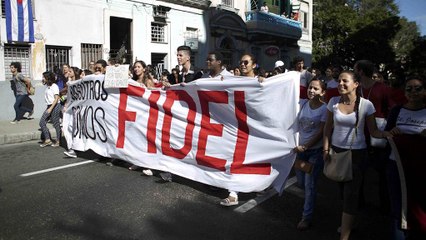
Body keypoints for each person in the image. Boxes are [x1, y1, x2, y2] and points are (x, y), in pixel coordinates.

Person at [323, 70, 391, 240]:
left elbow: (374, 131)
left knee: (350, 195)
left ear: (356, 84)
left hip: (357, 155)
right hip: (336, 153)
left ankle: (344, 235)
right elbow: (327, 128)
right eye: (339, 81)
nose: (340, 84)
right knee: (342, 192)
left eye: (345, 81)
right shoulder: (333, 101)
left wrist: (388, 134)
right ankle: (352, 220)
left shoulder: (366, 105)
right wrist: (325, 149)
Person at [385, 76, 426, 240]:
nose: (413, 92)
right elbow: (386, 133)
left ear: (424, 91)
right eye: (409, 89)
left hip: (421, 167)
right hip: (397, 165)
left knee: (419, 204)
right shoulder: (396, 111)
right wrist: (392, 132)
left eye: (418, 88)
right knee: (398, 205)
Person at [220, 53, 258, 207]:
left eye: (246, 62)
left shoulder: (260, 82)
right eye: (240, 62)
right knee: (235, 157)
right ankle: (233, 193)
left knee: (256, 158)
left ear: (254, 65)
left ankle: (260, 184)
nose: (242, 65)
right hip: (236, 126)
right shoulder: (234, 81)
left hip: (255, 128)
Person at [354, 60, 392, 213]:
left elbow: (391, 110)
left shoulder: (382, 88)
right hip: (359, 135)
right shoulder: (356, 88)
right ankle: (359, 203)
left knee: (382, 172)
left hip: (378, 135)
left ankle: (385, 205)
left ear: (361, 72)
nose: (354, 71)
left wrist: (387, 130)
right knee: (358, 172)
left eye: (355, 69)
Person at [294, 78, 327, 230]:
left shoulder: (325, 109)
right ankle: (311, 203)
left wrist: (306, 146)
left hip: (314, 152)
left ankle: (306, 217)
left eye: (315, 89)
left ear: (323, 92)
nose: (311, 91)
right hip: (300, 152)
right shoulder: (302, 103)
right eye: (310, 88)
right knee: (301, 183)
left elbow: (321, 132)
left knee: (309, 185)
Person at [63, 67, 82, 158]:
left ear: (75, 73)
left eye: (70, 71)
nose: (68, 72)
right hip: (70, 109)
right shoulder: (69, 83)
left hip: (79, 109)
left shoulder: (81, 83)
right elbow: (69, 96)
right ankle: (71, 148)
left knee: (76, 129)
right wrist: (66, 105)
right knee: (68, 127)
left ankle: (75, 147)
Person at [39, 71, 62, 147]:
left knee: (56, 124)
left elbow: (56, 98)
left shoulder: (54, 86)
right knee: (42, 122)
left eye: (43, 77)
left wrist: (50, 109)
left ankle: (58, 141)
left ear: (47, 78)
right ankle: (48, 140)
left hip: (55, 106)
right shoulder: (48, 86)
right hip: (49, 106)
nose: (42, 78)